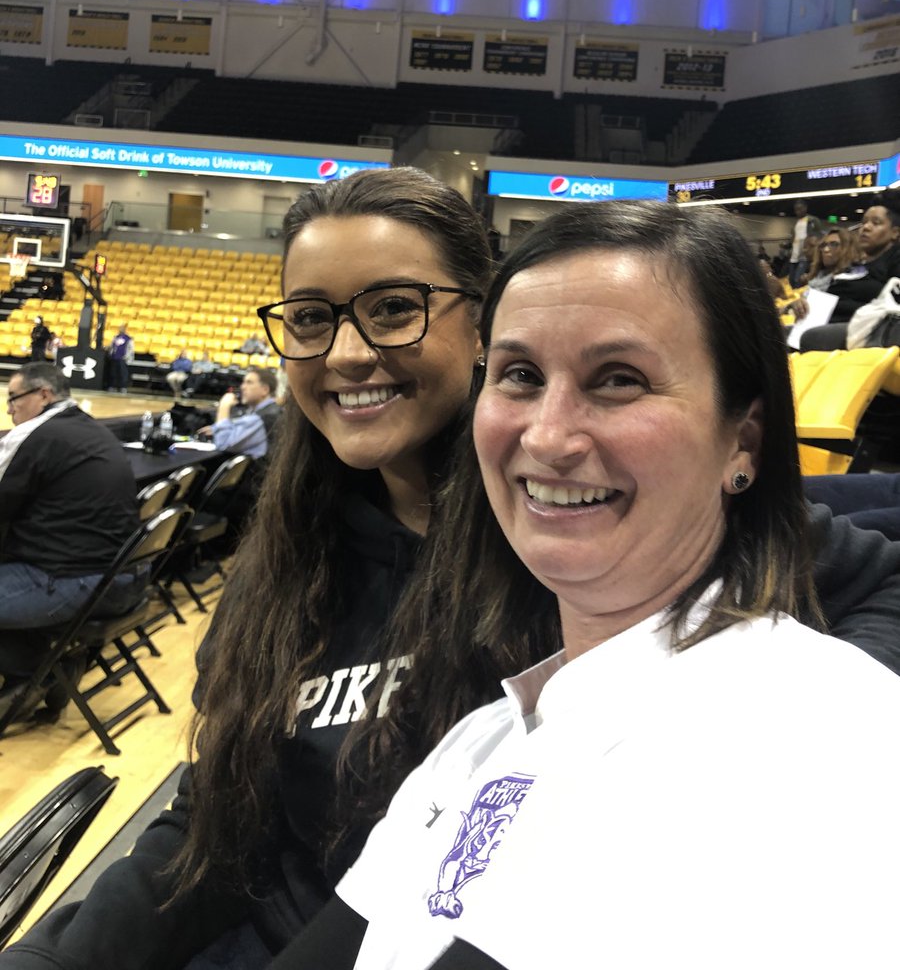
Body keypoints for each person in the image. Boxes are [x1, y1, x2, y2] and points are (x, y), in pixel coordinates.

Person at [6, 180, 900, 970]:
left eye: (392, 308)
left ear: (480, 323)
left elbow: (865, 601)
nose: (347, 352)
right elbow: (218, 826)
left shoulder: (601, 534)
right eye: (311, 319)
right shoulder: (293, 568)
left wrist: (765, 744)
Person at [273, 201, 900, 970]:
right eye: (521, 376)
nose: (547, 436)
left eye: (619, 380)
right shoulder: (482, 739)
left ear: (744, 439)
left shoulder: (825, 732)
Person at [0, 363, 140, 683]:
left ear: (43, 395)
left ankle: (42, 672)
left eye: (13, 399)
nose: (9, 410)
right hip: (120, 578)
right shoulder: (92, 429)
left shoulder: (32, 433)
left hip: (75, 583)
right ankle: (46, 667)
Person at [800, 198, 900, 350]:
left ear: (895, 233)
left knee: (811, 337)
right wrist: (803, 303)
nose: (865, 227)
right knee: (775, 331)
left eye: (876, 222)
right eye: (864, 222)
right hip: (828, 319)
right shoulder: (856, 266)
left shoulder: (895, 261)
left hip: (872, 328)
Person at [197, 368, 281, 458]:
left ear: (265, 390)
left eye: (249, 382)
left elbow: (223, 443)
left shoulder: (261, 418)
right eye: (243, 382)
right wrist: (216, 429)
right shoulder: (269, 410)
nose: (243, 387)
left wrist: (224, 406)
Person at [788, 198, 823, 286]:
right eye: (796, 209)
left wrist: (813, 247)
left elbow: (819, 235)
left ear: (805, 208)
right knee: (791, 279)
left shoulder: (812, 220)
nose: (798, 211)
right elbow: (794, 238)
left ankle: (800, 298)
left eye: (800, 209)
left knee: (798, 279)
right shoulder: (795, 223)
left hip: (805, 255)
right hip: (794, 255)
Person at [107, 323, 134, 393]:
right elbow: (112, 346)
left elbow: (131, 349)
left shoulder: (128, 338)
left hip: (123, 358)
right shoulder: (115, 337)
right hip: (114, 357)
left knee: (123, 373)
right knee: (113, 373)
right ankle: (112, 386)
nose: (120, 329)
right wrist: (111, 353)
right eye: (120, 328)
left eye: (122, 328)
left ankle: (123, 387)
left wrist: (127, 357)